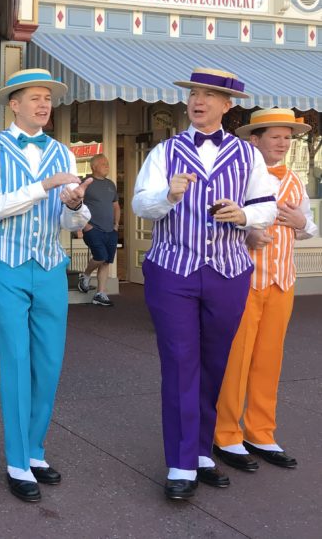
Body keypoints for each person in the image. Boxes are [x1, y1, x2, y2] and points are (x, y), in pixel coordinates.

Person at [132, 67, 278, 501]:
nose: (199, 100)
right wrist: (168, 197)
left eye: (210, 95)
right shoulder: (165, 152)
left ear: (227, 106)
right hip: (173, 270)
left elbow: (267, 208)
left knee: (215, 363)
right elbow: (141, 204)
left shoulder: (249, 156)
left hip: (229, 271)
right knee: (180, 361)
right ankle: (180, 464)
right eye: (195, 93)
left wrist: (245, 215)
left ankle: (200, 453)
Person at [0, 68, 92, 503]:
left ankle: (36, 449)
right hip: (5, 265)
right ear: (14, 104)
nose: (44, 105)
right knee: (17, 360)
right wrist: (44, 186)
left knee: (49, 361)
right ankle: (16, 460)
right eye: (35, 98)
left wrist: (76, 208)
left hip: (48, 264)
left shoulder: (63, 152)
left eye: (48, 98)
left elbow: (69, 220)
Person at [213, 109, 316, 472]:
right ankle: (226, 433)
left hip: (282, 281)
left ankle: (260, 431)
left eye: (287, 137)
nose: (283, 143)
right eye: (275, 136)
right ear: (254, 140)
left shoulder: (295, 181)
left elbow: (307, 228)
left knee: (269, 360)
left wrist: (303, 222)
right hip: (243, 280)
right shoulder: (237, 179)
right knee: (236, 360)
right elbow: (215, 220)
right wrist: (247, 231)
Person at [77, 153, 121, 306]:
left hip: (111, 230)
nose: (107, 166)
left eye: (107, 163)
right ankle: (86, 275)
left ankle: (100, 294)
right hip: (93, 229)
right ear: (94, 167)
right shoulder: (86, 182)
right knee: (100, 257)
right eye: (103, 164)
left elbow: (116, 206)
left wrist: (116, 225)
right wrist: (84, 225)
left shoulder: (110, 184)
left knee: (106, 262)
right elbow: (76, 204)